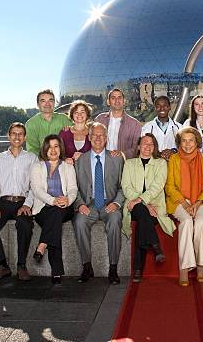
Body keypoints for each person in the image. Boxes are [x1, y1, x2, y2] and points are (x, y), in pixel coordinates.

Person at [0, 122, 38, 281]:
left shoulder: (31, 158)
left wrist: (28, 204)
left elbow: (36, 185)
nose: (17, 136)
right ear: (8, 136)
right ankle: (2, 265)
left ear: (25, 137)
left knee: (25, 224)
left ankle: (21, 266)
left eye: (20, 134)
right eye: (14, 133)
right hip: (3, 202)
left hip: (23, 202)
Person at [72, 122, 125, 285]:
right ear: (89, 137)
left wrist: (116, 203)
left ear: (107, 138)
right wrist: (80, 204)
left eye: (101, 135)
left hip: (110, 203)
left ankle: (113, 268)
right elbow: (74, 187)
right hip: (90, 205)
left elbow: (124, 186)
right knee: (79, 222)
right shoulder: (80, 160)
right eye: (94, 135)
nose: (98, 138)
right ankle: (87, 266)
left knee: (116, 220)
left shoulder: (117, 159)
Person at [121, 134, 176, 282]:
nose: (147, 147)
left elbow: (157, 187)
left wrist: (141, 200)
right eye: (144, 144)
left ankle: (138, 269)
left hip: (155, 207)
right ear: (138, 146)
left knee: (142, 221)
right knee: (141, 211)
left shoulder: (161, 164)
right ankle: (155, 246)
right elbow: (126, 187)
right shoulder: (129, 164)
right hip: (135, 206)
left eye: (151, 144)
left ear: (154, 148)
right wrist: (144, 203)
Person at [165, 127, 203, 286]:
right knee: (186, 223)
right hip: (179, 201)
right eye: (184, 140)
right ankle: (184, 268)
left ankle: (200, 265)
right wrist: (186, 204)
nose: (187, 144)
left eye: (191, 140)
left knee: (200, 223)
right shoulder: (174, 159)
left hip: (201, 201)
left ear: (197, 142)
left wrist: (197, 203)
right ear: (179, 142)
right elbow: (170, 187)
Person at [30, 135, 78, 284]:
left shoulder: (68, 166)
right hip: (43, 208)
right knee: (54, 218)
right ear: (45, 149)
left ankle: (42, 244)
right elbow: (37, 190)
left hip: (65, 207)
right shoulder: (37, 167)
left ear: (60, 148)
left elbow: (72, 188)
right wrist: (53, 200)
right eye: (49, 146)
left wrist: (67, 199)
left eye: (56, 146)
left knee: (57, 212)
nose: (53, 149)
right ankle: (56, 271)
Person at [95, 88, 142, 159]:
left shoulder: (135, 124)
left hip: (123, 164)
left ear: (124, 101)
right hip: (101, 161)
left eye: (119, 97)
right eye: (113, 98)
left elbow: (135, 148)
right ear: (108, 102)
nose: (117, 100)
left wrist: (121, 154)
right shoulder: (100, 119)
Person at [25, 89, 73, 157]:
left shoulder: (65, 119)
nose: (47, 104)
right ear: (38, 104)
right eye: (43, 101)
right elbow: (32, 150)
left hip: (64, 162)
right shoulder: (30, 124)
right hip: (41, 163)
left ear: (54, 103)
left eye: (50, 100)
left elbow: (76, 137)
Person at [140, 96, 182, 160]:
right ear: (155, 108)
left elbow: (184, 146)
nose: (162, 108)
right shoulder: (147, 127)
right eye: (158, 106)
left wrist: (173, 151)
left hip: (173, 163)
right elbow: (143, 147)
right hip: (154, 164)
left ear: (169, 107)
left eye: (165, 106)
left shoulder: (179, 127)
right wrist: (158, 153)